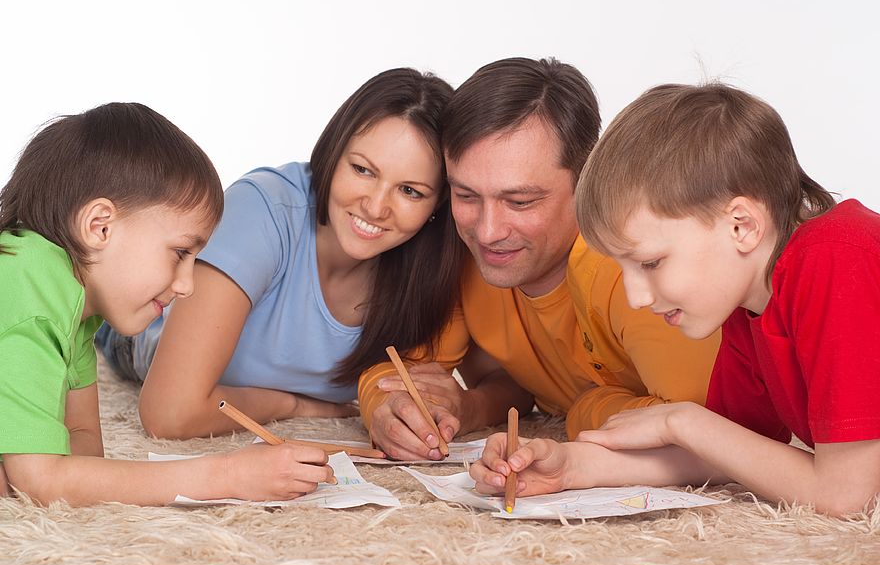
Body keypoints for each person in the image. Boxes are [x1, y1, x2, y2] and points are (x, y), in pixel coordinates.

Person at [472, 82, 880, 517]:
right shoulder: (747, 308)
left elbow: (843, 496)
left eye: (650, 263)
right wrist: (571, 467)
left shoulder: (837, 256)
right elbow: (728, 450)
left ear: (741, 225)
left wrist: (681, 420)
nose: (635, 296)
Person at [360, 58, 720, 461]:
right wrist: (387, 406)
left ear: (586, 181)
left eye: (520, 201)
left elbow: (710, 425)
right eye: (466, 195)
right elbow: (400, 367)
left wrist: (585, 410)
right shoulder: (461, 255)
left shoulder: (633, 268)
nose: (487, 231)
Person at [98, 68, 464, 439]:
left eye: (410, 191)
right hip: (140, 334)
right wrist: (293, 406)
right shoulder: (261, 210)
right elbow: (169, 414)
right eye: (362, 169)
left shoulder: (439, 261)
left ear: (440, 202)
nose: (375, 206)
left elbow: (500, 383)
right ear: (334, 153)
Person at [0, 103, 335, 506]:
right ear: (99, 226)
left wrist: (38, 466)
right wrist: (229, 475)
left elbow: (84, 451)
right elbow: (44, 482)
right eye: (180, 253)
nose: (187, 285)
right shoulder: (29, 288)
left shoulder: (74, 304)